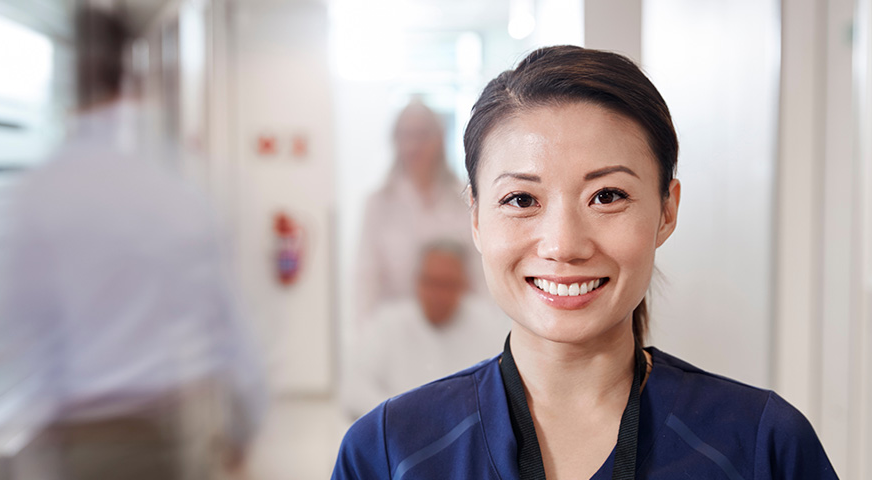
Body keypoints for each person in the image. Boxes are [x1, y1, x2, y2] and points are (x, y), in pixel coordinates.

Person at [332, 46, 837, 479]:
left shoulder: (759, 446)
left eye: (607, 195)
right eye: (521, 200)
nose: (564, 244)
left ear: (667, 210)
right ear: (477, 219)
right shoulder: (389, 451)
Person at [0, 5, 264, 480]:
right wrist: (245, 425)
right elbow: (229, 327)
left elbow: (22, 329)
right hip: (167, 432)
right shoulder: (173, 185)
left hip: (80, 437)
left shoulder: (38, 193)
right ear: (132, 78)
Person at [343, 240, 508, 418]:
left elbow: (504, 390)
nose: (437, 293)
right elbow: (354, 392)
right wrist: (405, 414)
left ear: (463, 285)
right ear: (417, 282)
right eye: (431, 281)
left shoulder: (490, 325)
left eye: (447, 284)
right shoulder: (388, 324)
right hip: (398, 431)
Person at [353, 99, 483, 324]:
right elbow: (365, 279)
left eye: (422, 135)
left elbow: (480, 274)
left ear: (440, 139)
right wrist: (365, 335)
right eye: (406, 135)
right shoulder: (378, 203)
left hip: (458, 327)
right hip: (396, 331)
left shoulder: (466, 198)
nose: (414, 145)